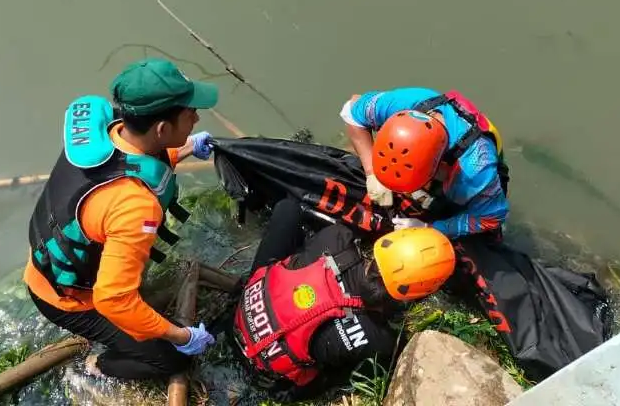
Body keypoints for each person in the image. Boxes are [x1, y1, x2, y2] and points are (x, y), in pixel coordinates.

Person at [23, 58, 221, 380]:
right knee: (174, 362)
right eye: (190, 114)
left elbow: (131, 162)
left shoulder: (108, 132)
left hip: (45, 264)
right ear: (162, 128)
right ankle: (98, 367)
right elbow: (113, 300)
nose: (197, 118)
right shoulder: (135, 208)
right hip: (69, 301)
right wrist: (183, 337)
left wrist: (184, 148)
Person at [229, 198, 455, 401]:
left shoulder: (337, 238)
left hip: (241, 314)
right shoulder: (381, 339)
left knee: (288, 208)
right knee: (333, 373)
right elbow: (349, 372)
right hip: (271, 373)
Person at [340, 87, 510, 241]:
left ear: (441, 169)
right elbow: (352, 111)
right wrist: (371, 172)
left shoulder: (476, 170)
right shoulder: (404, 103)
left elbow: (491, 217)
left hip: (474, 158)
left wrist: (431, 229)